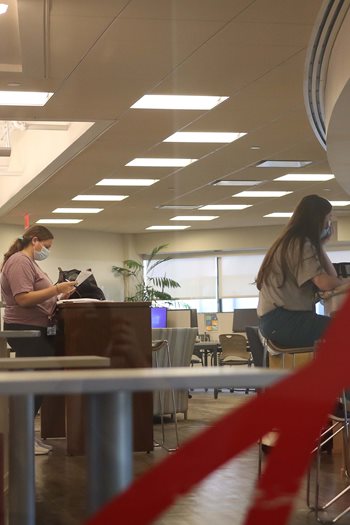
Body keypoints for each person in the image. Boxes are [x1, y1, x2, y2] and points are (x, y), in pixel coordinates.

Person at [0, 225, 76, 454]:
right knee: (36, 380)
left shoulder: (30, 262)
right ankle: (22, 438)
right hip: (24, 328)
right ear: (35, 240)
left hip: (36, 326)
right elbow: (23, 298)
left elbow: (37, 297)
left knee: (40, 379)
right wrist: (55, 289)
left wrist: (60, 294)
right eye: (47, 246)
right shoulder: (19, 261)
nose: (47, 250)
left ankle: (26, 435)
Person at [256, 194, 348, 348]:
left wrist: (320, 245)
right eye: (328, 219)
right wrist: (346, 282)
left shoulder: (292, 241)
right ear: (318, 220)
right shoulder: (299, 243)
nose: (329, 224)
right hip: (285, 320)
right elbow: (324, 282)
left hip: (276, 321)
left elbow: (331, 277)